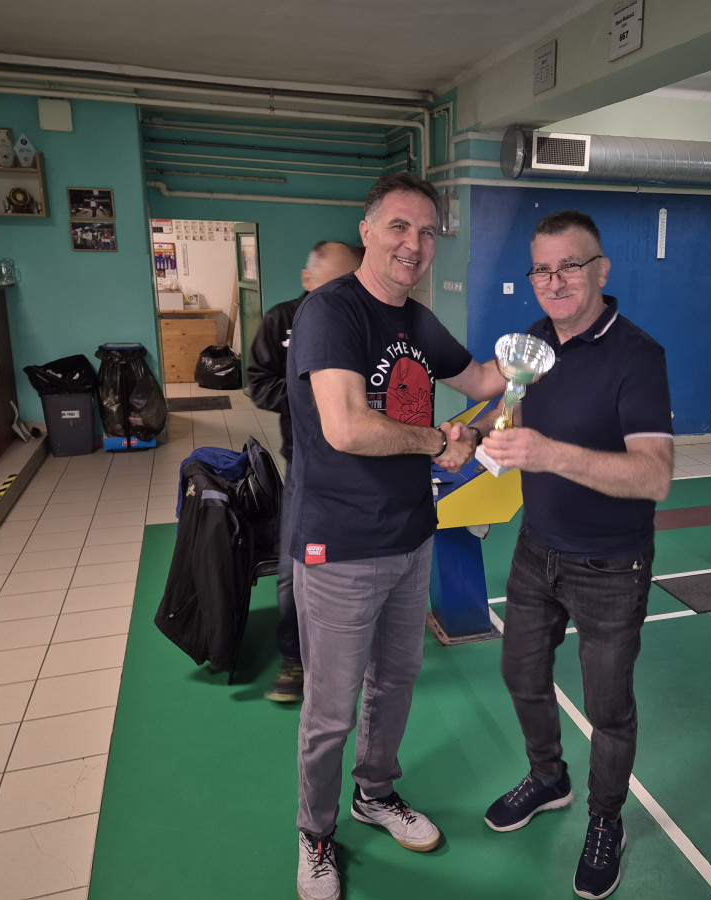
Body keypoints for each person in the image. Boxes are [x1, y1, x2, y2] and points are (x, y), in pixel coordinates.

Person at [285, 173, 503, 900]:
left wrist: (545, 341)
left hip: (411, 537)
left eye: (428, 232)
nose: (415, 244)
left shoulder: (417, 320)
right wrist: (439, 440)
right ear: (368, 231)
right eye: (400, 227)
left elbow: (481, 380)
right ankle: (315, 834)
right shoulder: (331, 311)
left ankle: (374, 795)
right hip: (341, 546)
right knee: (330, 711)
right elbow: (347, 426)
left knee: (397, 683)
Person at [472, 210, 674, 900]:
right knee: (521, 673)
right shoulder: (534, 340)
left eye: (570, 266)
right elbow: (514, 406)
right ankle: (548, 776)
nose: (554, 281)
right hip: (538, 549)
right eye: (542, 269)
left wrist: (549, 454)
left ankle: (606, 820)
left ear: (601, 270)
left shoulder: (638, 356)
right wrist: (475, 431)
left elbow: (655, 476)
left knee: (608, 708)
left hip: (613, 564)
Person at [247, 240, 362, 703]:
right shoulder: (281, 320)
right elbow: (258, 384)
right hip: (308, 464)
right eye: (334, 283)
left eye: (350, 282)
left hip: (364, 463)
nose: (343, 292)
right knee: (297, 563)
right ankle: (294, 659)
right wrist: (316, 400)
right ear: (307, 280)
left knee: (360, 561)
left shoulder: (364, 319)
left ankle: (355, 649)